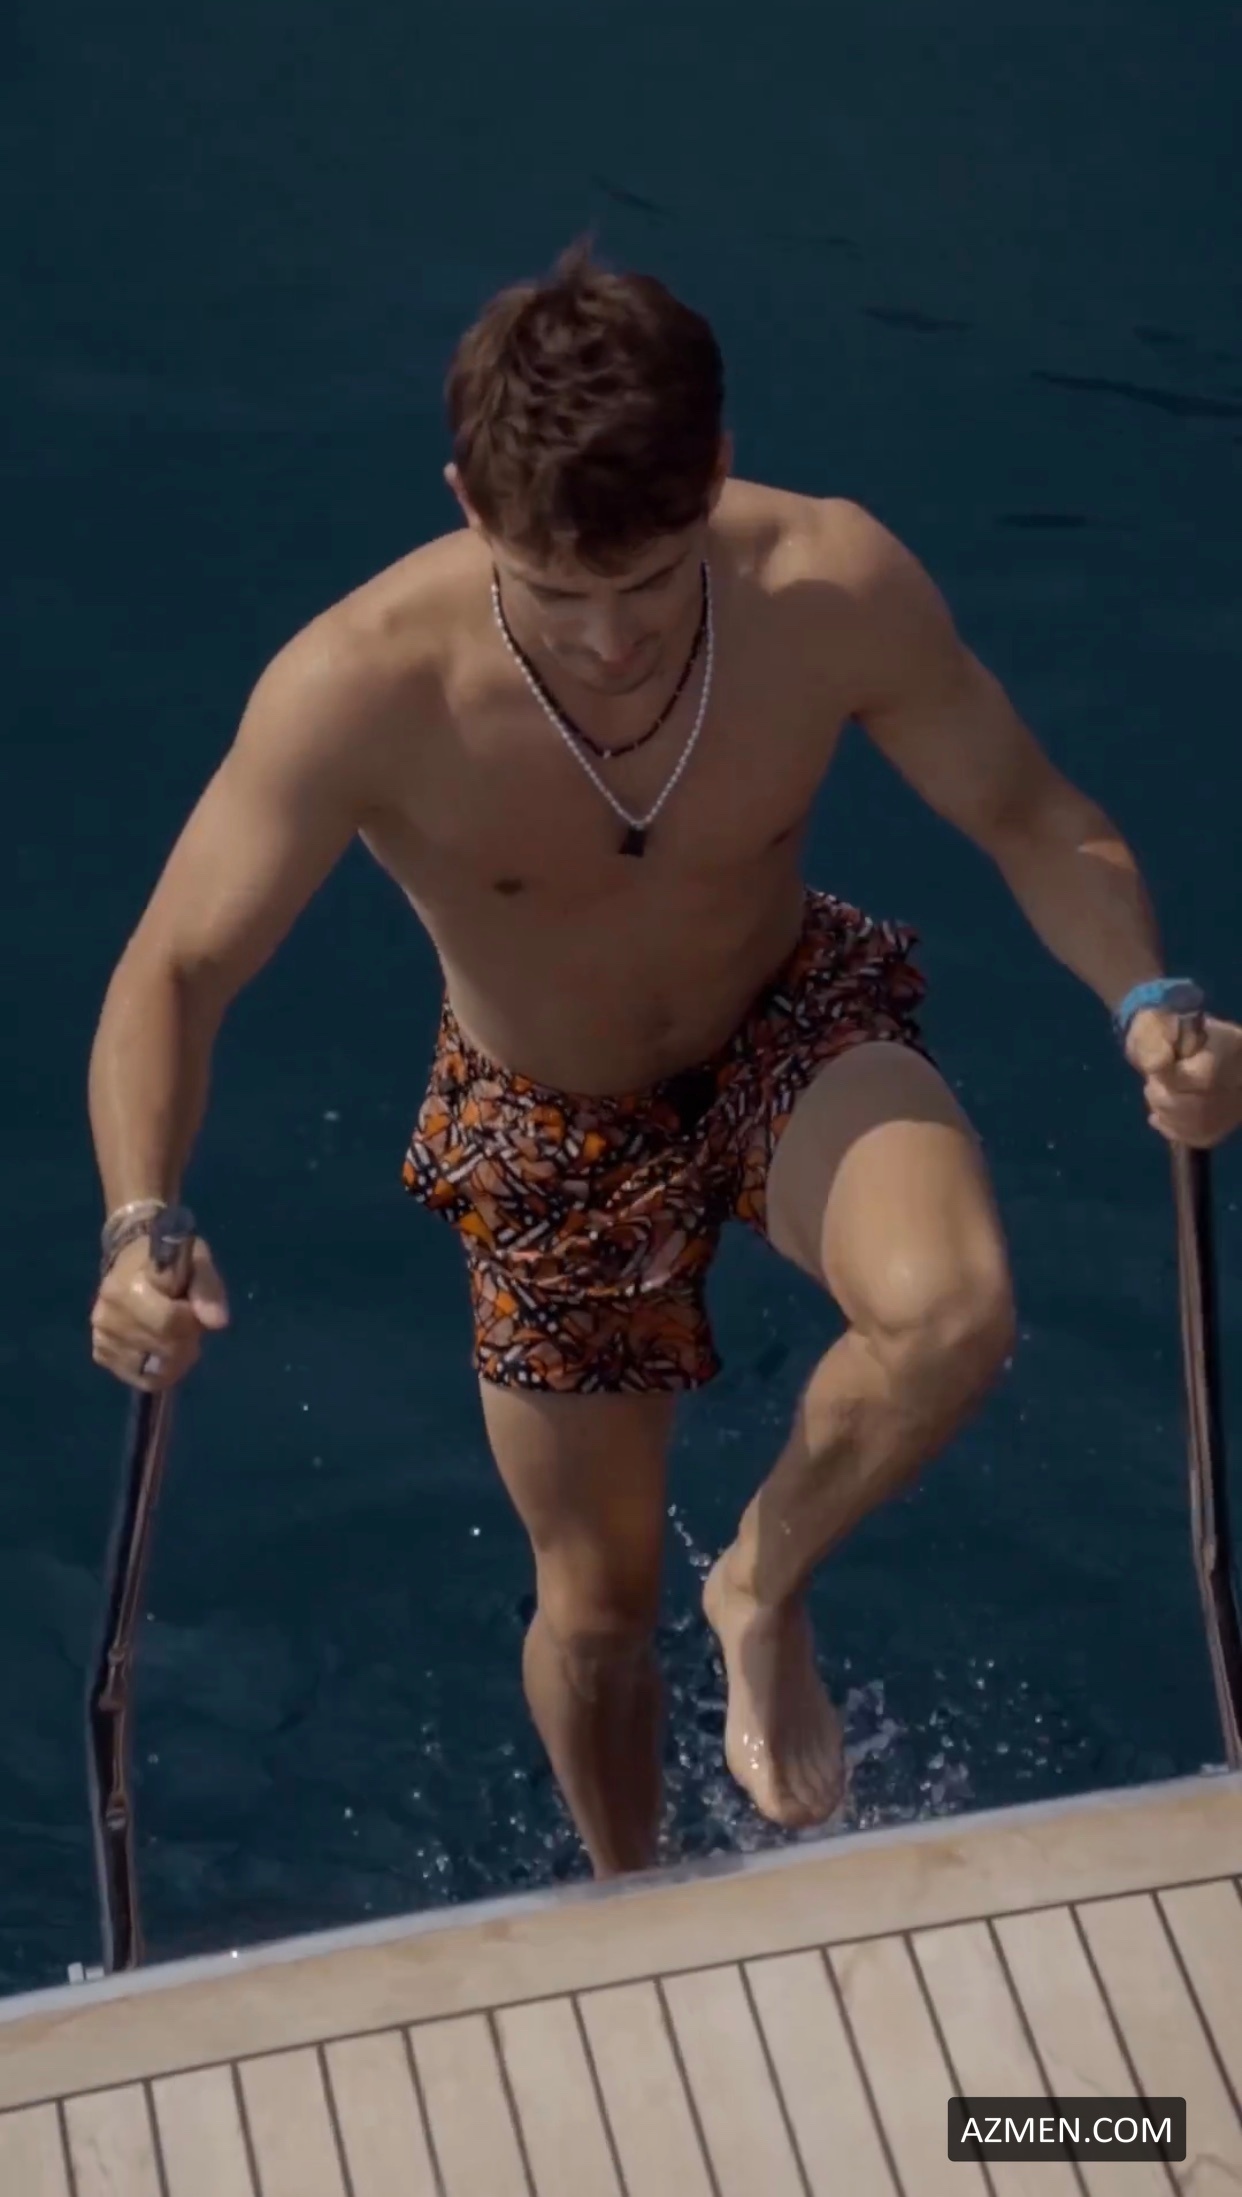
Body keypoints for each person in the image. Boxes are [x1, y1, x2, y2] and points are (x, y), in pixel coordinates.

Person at [88, 242, 1242, 1879]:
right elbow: (176, 966)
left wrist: (1148, 999)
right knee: (595, 1616)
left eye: (651, 581)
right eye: (557, 595)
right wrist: (140, 1220)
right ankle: (631, 1891)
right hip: (541, 1118)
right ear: (467, 506)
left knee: (953, 1308)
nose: (613, 641)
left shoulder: (827, 585)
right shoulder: (359, 685)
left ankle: (761, 1580)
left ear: (714, 474)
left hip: (785, 1021)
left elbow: (1030, 814)